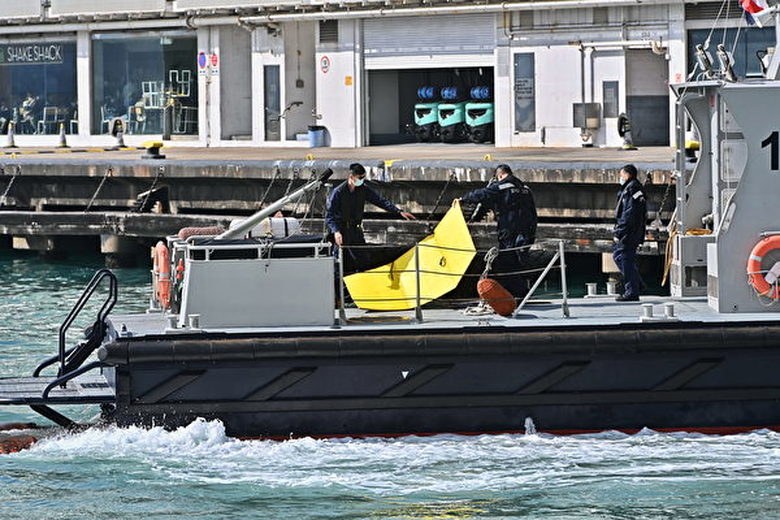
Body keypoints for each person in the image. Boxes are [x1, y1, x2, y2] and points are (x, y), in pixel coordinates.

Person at [456, 164, 537, 295]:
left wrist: (464, 199)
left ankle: (515, 294)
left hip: (509, 231)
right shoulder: (526, 189)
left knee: (506, 263)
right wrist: (532, 234)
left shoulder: (503, 186)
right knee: (519, 262)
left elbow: (483, 194)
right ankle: (521, 292)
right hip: (526, 233)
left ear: (500, 175)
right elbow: (533, 213)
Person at [326, 163, 415, 271]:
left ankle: (361, 277)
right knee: (340, 260)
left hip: (356, 230)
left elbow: (380, 201)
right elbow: (330, 215)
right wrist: (336, 231)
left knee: (363, 260)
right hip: (343, 231)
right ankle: (338, 279)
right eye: (360, 178)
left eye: (364, 177)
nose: (362, 180)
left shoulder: (363, 189)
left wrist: (398, 211)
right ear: (351, 177)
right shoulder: (338, 192)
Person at [613, 164, 647, 302]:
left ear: (627, 175)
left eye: (621, 175)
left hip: (629, 231)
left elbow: (628, 214)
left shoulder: (631, 189)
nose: (620, 178)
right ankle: (637, 283)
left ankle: (632, 291)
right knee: (619, 256)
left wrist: (619, 231)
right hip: (633, 230)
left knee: (624, 258)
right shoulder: (633, 188)